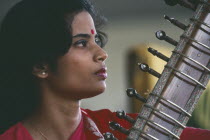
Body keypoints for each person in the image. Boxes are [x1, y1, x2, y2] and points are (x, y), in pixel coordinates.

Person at [0, 0, 210, 140]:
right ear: (41, 66)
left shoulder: (126, 129)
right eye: (82, 43)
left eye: (97, 39)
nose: (101, 53)